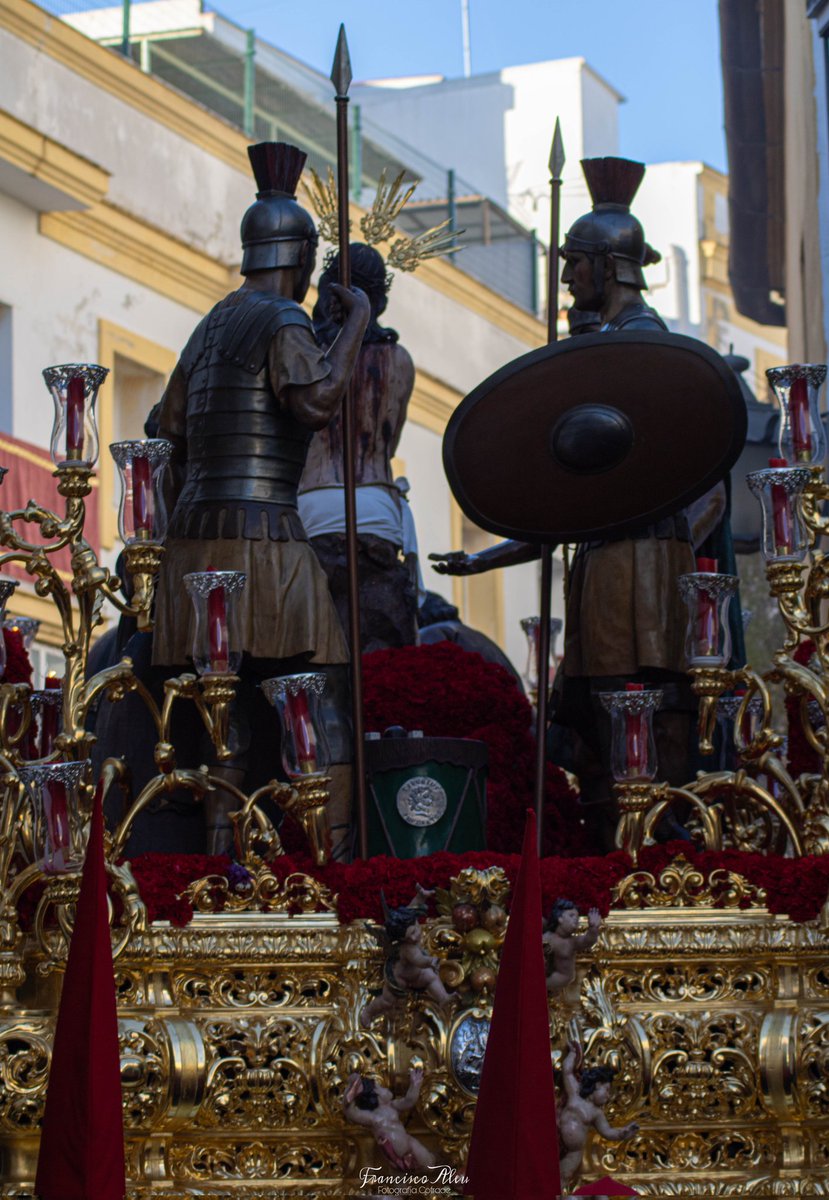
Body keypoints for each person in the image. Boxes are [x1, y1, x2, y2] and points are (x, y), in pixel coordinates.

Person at [431, 157, 732, 849]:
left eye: (573, 263)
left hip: (644, 572)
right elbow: (564, 508)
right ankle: (612, 861)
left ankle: (650, 866)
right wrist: (488, 557)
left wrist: (663, 539)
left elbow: (705, 478)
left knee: (646, 725)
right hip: (605, 572)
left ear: (609, 267)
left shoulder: (645, 350)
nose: (566, 278)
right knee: (600, 735)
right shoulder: (599, 349)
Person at [152, 141, 369, 852]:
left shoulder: (211, 323)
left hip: (195, 538)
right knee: (323, 693)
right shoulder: (281, 322)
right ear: (302, 259)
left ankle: (220, 855)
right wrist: (357, 322)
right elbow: (313, 400)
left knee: (226, 709)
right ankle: (329, 856)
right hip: (263, 535)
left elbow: (165, 430)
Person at [299, 243, 419, 654]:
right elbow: (390, 442)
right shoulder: (398, 360)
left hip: (312, 507)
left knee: (316, 653)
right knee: (380, 658)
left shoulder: (306, 356)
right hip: (377, 509)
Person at [360, 885, 450, 1027]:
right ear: (402, 939)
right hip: (399, 978)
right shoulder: (408, 949)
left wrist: (421, 896)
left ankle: (444, 998)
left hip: (416, 973)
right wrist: (431, 961)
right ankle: (369, 1012)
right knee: (387, 1001)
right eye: (410, 936)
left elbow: (412, 908)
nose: (415, 937)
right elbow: (419, 961)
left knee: (431, 977)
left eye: (415, 930)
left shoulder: (408, 921)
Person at [558, 1043, 639, 1189]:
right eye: (607, 1090)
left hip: (574, 1151)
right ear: (596, 1085)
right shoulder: (575, 1093)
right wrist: (572, 1053)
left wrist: (624, 1132)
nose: (608, 1096)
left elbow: (608, 1132)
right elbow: (567, 1072)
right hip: (556, 1138)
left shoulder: (597, 1113)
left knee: (563, 1176)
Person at [342, 1066, 435, 1172]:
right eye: (381, 1088)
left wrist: (415, 1085)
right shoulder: (373, 1117)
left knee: (429, 1163)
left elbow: (409, 1101)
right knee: (399, 1183)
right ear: (375, 1096)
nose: (386, 1089)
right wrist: (351, 1090)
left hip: (409, 1143)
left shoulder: (393, 1106)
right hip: (393, 1156)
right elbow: (350, 1113)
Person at [542, 898, 601, 993]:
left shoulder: (571, 942)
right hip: (546, 980)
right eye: (571, 915)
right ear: (559, 918)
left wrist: (593, 928)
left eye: (577, 917)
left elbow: (587, 940)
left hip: (564, 982)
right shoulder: (547, 938)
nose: (576, 919)